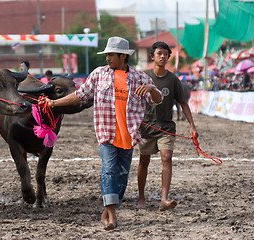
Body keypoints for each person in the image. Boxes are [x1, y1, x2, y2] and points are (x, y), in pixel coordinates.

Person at [38, 36, 162, 230]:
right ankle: (112, 214)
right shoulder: (98, 74)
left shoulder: (139, 78)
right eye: (107, 55)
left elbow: (158, 99)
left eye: (111, 55)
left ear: (123, 57)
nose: (107, 58)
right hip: (106, 132)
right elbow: (80, 95)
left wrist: (151, 89)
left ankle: (107, 209)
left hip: (128, 135)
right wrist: (54, 103)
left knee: (122, 175)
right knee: (109, 170)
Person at [137, 41, 199, 211]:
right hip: (146, 127)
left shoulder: (173, 79)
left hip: (166, 127)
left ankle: (164, 199)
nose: (163, 56)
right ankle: (141, 196)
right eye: (159, 53)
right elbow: (132, 101)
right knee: (144, 160)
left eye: (166, 54)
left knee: (166, 157)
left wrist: (192, 126)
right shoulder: (143, 76)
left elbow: (183, 103)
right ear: (152, 56)